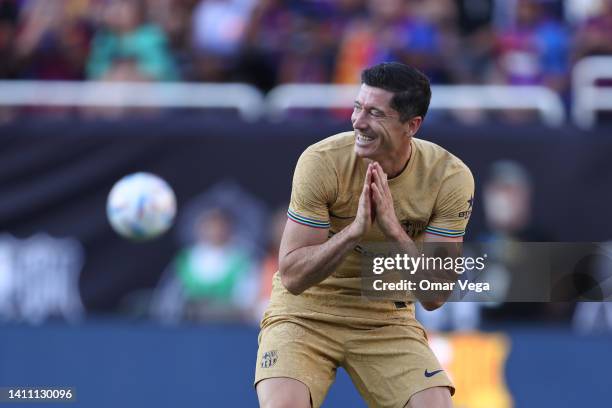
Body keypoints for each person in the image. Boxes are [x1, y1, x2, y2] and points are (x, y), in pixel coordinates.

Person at [254, 62, 474, 408]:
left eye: (375, 113)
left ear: (411, 125)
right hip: (305, 312)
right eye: (357, 107)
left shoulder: (450, 178)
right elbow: (293, 275)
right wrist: (354, 231)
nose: (358, 121)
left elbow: (435, 295)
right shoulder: (321, 161)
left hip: (385, 314)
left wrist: (392, 229)